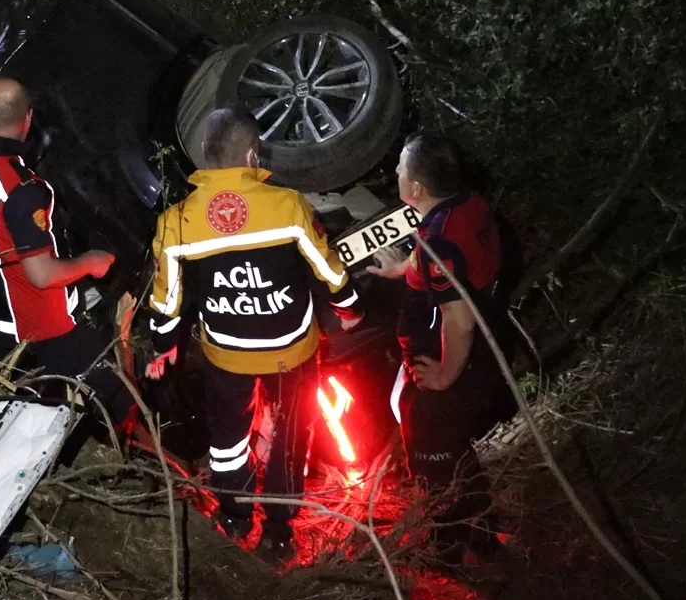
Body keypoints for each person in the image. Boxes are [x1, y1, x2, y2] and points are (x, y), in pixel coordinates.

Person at [145, 105, 363, 562]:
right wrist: (350, 310)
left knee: (227, 441)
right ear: (252, 155)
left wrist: (162, 346)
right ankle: (279, 533)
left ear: (204, 157)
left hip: (227, 355)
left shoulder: (177, 221)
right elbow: (327, 268)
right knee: (290, 437)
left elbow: (168, 300)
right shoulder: (287, 205)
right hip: (293, 349)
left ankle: (235, 515)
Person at [0, 77, 136, 430]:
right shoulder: (22, 190)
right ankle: (125, 453)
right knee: (116, 397)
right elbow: (42, 274)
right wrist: (89, 262)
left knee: (43, 399)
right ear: (28, 119)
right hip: (43, 325)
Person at [367, 130, 510, 561]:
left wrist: (445, 375)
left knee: (431, 451)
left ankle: (447, 546)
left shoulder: (439, 242)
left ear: (416, 189)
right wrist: (403, 271)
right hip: (477, 347)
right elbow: (440, 257)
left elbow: (458, 319)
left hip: (451, 359)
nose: (393, 171)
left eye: (400, 168)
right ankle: (483, 530)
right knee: (452, 445)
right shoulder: (465, 206)